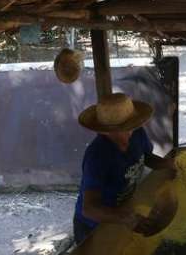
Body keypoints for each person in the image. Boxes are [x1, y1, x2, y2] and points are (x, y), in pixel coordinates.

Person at [73, 92, 175, 244]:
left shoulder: (137, 133)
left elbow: (146, 157)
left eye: (132, 125)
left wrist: (169, 165)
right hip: (94, 226)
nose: (131, 130)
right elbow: (89, 208)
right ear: (107, 130)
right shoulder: (97, 156)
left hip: (122, 211)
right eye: (126, 127)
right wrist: (127, 218)